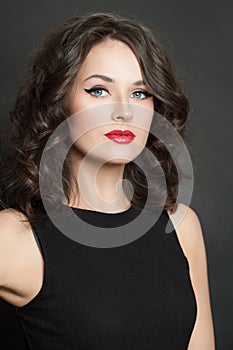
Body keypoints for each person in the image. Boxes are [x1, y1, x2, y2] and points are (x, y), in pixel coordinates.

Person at [0, 12, 215, 349]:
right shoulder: (14, 236)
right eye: (99, 90)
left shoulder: (181, 225)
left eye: (140, 94)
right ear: (58, 102)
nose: (124, 111)